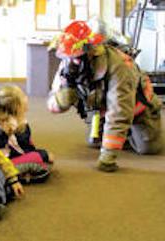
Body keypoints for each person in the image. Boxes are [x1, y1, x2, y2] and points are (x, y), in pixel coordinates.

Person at [47, 20, 162, 172]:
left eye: (75, 57)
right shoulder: (69, 62)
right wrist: (61, 100)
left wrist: (108, 155)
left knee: (147, 148)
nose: (70, 63)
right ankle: (122, 134)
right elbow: (53, 100)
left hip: (137, 108)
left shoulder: (118, 66)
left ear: (90, 52)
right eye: (67, 57)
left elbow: (120, 111)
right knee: (95, 142)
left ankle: (132, 131)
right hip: (101, 106)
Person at [0, 86, 54, 183]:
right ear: (17, 106)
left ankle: (20, 173)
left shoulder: (8, 120)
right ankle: (15, 175)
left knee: (42, 159)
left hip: (4, 159)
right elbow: (22, 150)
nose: (26, 97)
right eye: (23, 96)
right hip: (2, 163)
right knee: (42, 158)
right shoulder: (8, 125)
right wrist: (43, 155)